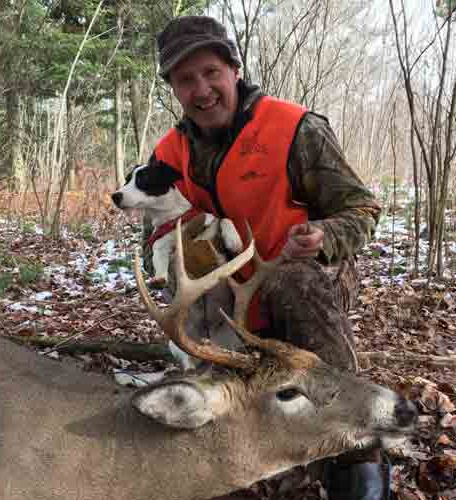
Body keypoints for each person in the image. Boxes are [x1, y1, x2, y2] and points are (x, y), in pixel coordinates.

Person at [144, 15, 383, 500]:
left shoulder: (295, 129)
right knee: (185, 267)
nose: (202, 90)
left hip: (302, 282)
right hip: (229, 303)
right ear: (173, 88)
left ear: (234, 69)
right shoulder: (170, 152)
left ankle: (355, 460)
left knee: (294, 282)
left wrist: (323, 233)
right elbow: (161, 221)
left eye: (211, 72)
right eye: (186, 80)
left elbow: (363, 208)